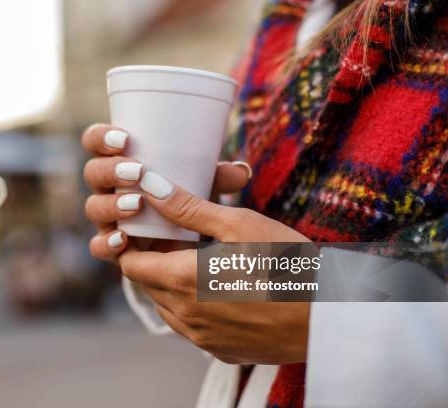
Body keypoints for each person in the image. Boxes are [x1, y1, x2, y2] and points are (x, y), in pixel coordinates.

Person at [82, 0, 448, 406]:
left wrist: (326, 308)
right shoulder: (285, 19)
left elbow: (305, 285)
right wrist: (186, 245)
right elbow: (266, 249)